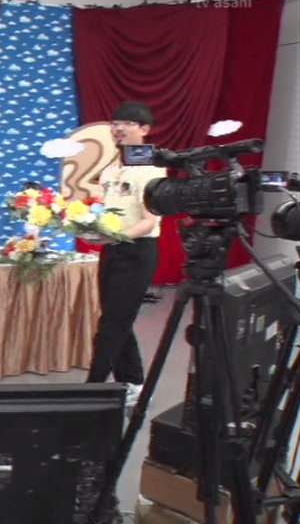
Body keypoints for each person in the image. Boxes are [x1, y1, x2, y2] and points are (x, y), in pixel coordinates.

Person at [86, 101, 168, 407]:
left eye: (127, 123)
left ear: (144, 129)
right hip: (112, 251)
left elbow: (150, 222)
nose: (118, 128)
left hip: (137, 253)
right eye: (115, 123)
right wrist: (91, 228)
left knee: (111, 325)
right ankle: (133, 383)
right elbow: (108, 212)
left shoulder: (152, 170)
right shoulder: (110, 170)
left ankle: (90, 391)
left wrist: (116, 236)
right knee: (117, 319)